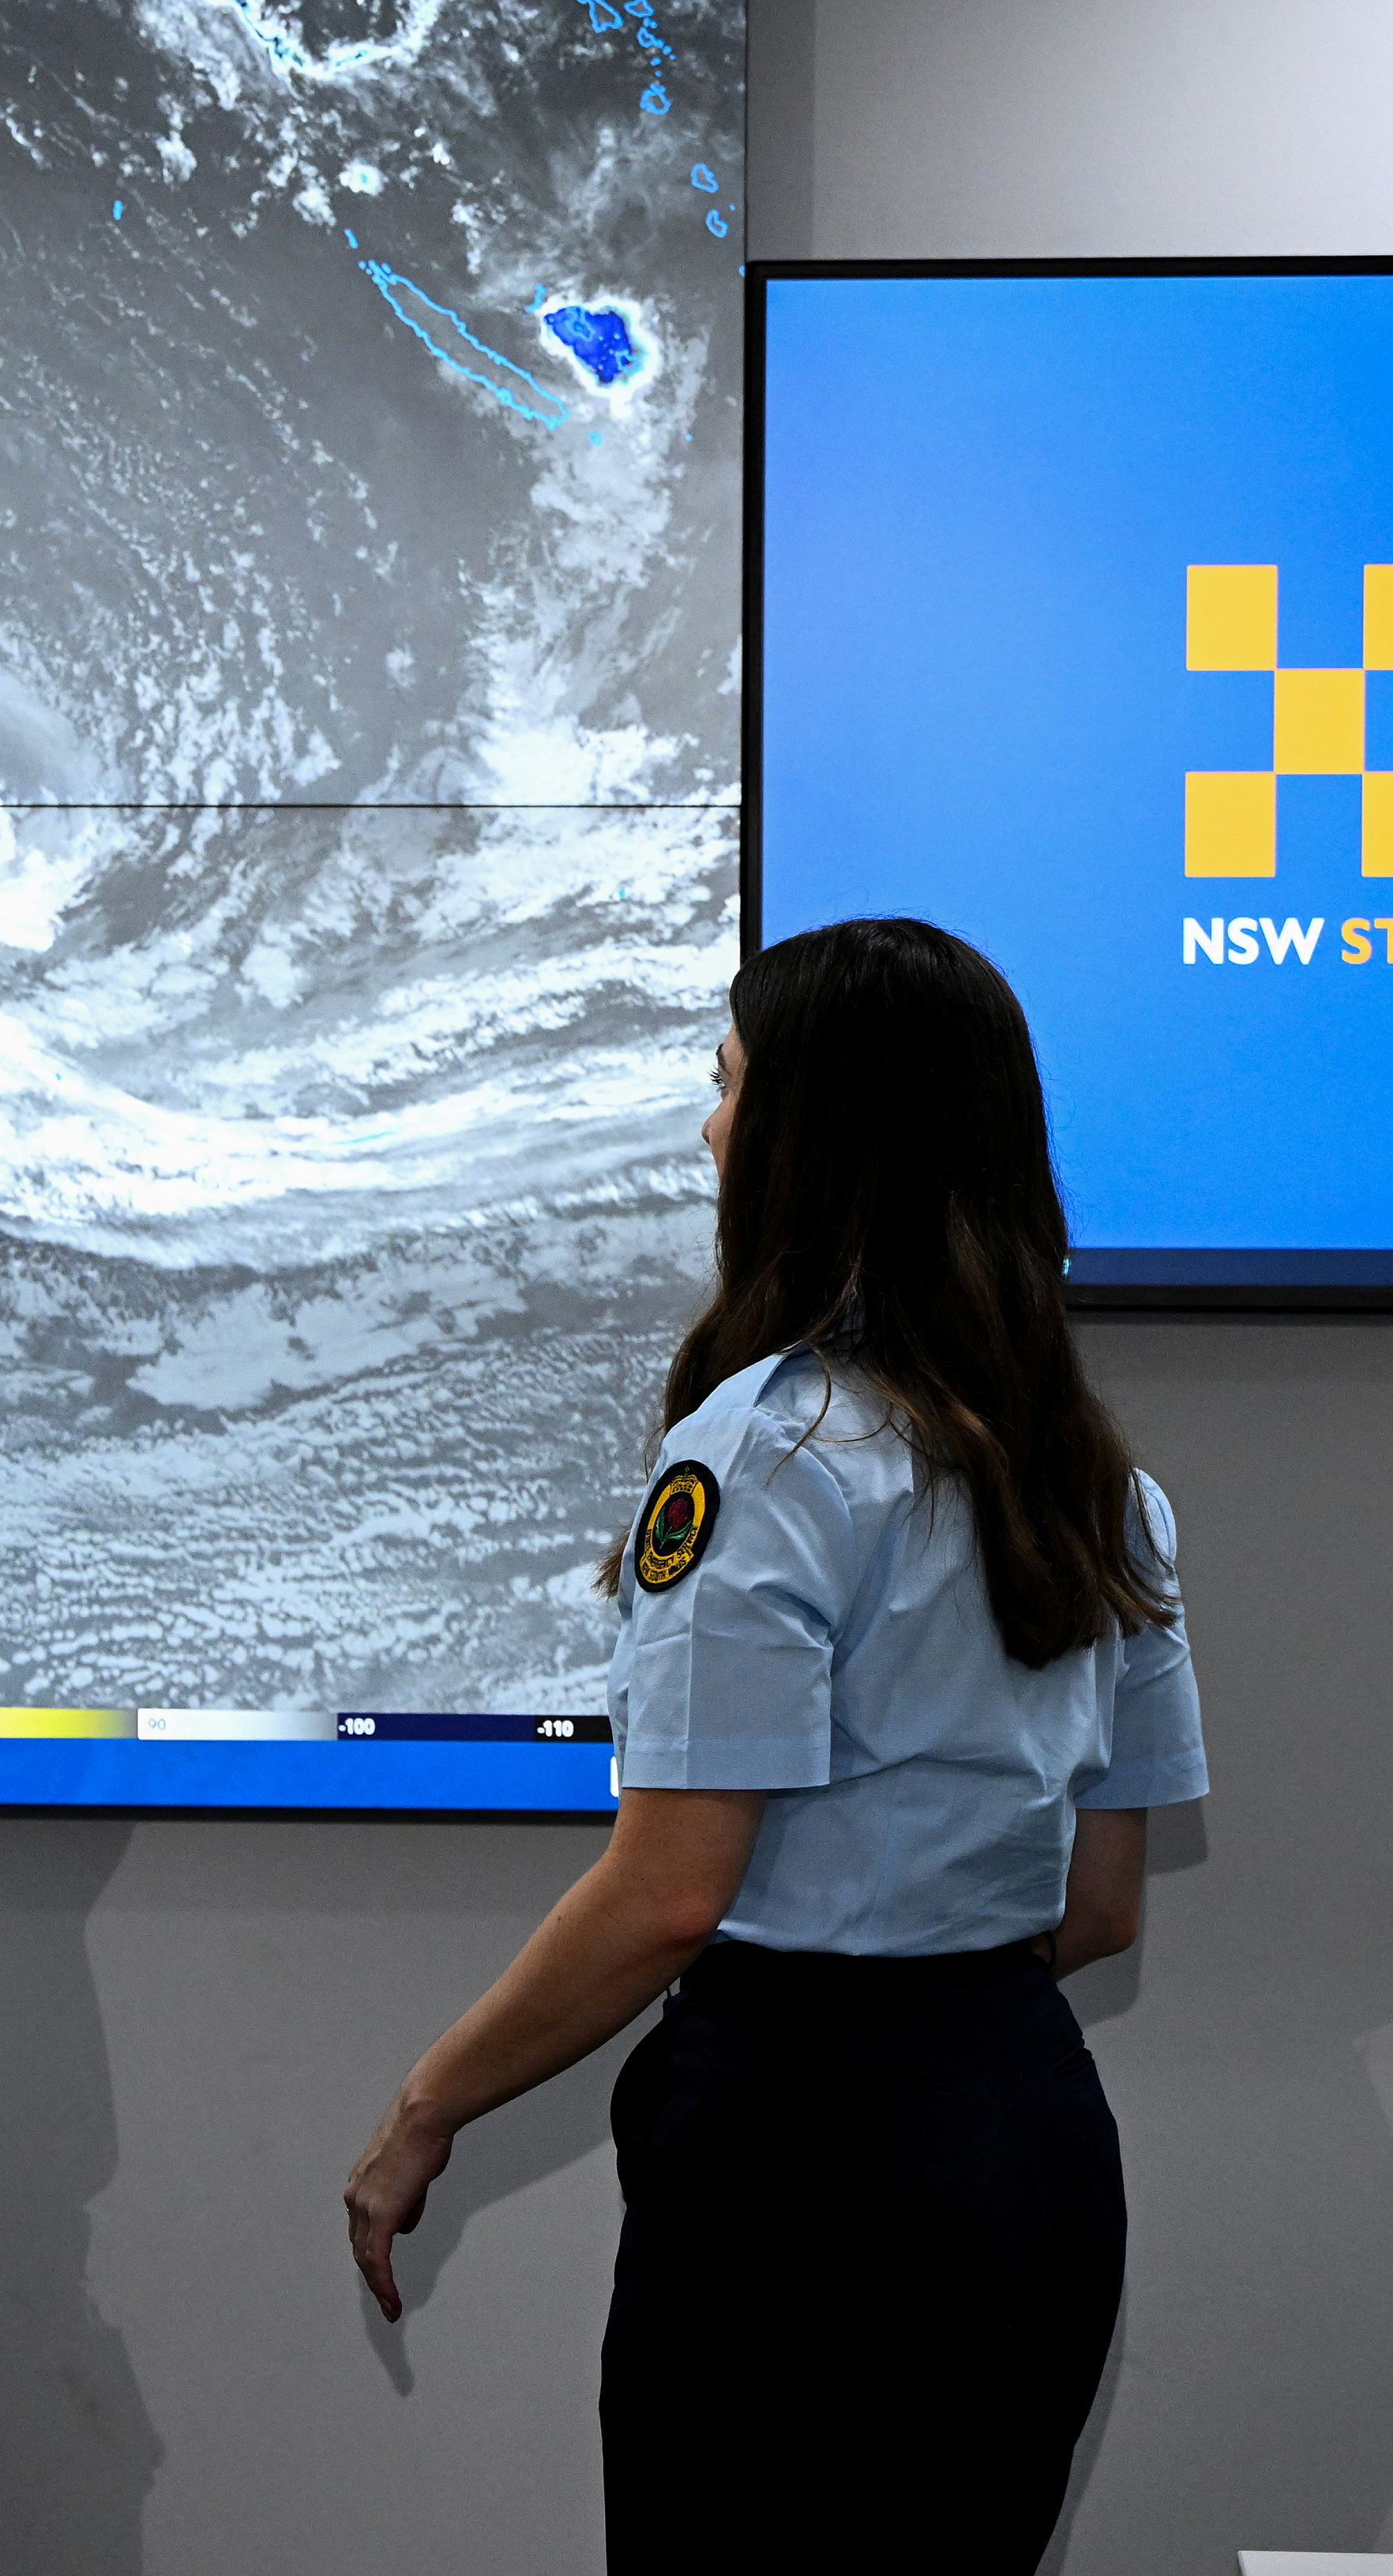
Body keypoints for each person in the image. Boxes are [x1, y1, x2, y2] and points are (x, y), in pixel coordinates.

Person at [340, 915, 1207, 2576]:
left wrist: (426, 2104)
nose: (703, 1127)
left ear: (809, 1140)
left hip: (804, 2166)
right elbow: (1099, 1905)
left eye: (724, 1084)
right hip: (1018, 2133)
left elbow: (670, 1891)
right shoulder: (1100, 1487)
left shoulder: (765, 1454)